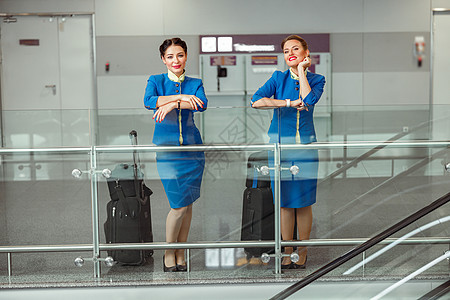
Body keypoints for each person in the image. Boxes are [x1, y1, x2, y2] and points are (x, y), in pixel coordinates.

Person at [251, 35, 325, 269]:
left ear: (306, 53)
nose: (290, 53)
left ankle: (302, 251)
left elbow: (309, 99)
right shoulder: (277, 77)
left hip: (305, 149)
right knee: (283, 201)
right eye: (285, 50)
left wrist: (303, 72)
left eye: (295, 49)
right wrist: (286, 103)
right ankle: (287, 250)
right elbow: (256, 101)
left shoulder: (317, 78)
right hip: (280, 148)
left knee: (303, 202)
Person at [144, 37, 208, 272]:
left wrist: (171, 104)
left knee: (188, 204)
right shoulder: (156, 80)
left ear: (186, 56)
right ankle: (169, 251)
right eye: (170, 56)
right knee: (178, 205)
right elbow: (149, 101)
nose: (175, 60)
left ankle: (181, 251)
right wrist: (180, 98)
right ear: (163, 59)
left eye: (179, 55)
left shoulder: (195, 82)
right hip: (168, 152)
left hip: (193, 151)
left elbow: (201, 103)